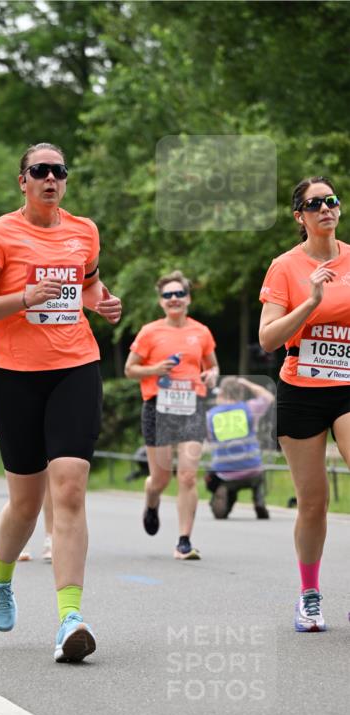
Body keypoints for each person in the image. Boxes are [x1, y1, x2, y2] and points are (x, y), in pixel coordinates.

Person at [0, 141, 121, 662]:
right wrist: (22, 299)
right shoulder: (0, 233)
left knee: (69, 489)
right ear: (23, 181)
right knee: (26, 504)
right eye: (40, 171)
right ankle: (0, 572)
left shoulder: (85, 231)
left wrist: (105, 303)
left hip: (76, 367)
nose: (51, 178)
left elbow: (88, 286)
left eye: (59, 171)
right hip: (14, 377)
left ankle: (70, 617)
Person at [258, 175, 349, 632]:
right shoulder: (285, 267)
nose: (327, 208)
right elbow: (269, 337)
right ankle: (309, 595)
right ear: (301, 216)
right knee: (313, 502)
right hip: (301, 388)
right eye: (316, 204)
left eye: (332, 200)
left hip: (348, 385)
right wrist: (311, 301)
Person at [124, 270, 219, 560]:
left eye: (179, 294)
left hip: (190, 405)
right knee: (161, 478)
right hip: (158, 407)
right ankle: (151, 500)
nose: (174, 298)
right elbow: (130, 369)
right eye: (168, 295)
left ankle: (184, 541)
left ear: (188, 298)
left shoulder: (201, 332)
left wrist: (212, 375)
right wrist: (153, 370)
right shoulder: (150, 332)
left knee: (188, 476)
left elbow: (213, 366)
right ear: (161, 301)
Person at [205, 376, 275, 519]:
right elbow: (268, 397)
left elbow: (209, 440)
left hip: (225, 473)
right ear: (241, 393)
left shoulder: (210, 416)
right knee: (259, 474)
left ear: (221, 393)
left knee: (212, 473)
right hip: (252, 469)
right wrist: (247, 383)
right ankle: (258, 498)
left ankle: (224, 496)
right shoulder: (249, 409)